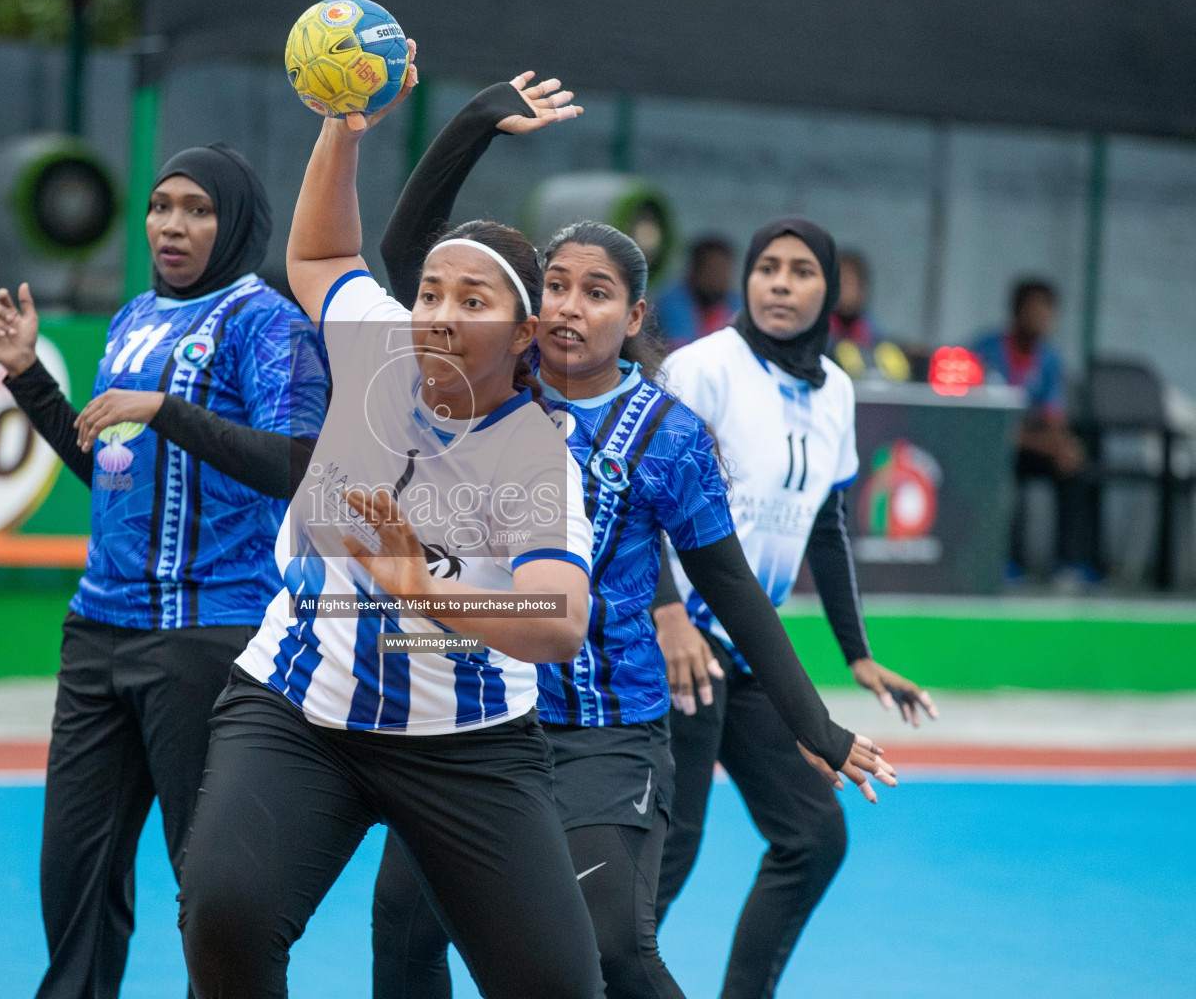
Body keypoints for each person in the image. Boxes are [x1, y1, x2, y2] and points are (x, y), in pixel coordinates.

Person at [369, 79, 897, 999]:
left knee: (610, 950)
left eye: (598, 293)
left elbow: (730, 587)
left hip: (607, 734)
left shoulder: (670, 432)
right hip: (476, 716)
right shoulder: (497, 385)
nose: (572, 307)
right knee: (405, 931)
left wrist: (818, 725)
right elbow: (407, 249)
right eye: (557, 289)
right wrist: (478, 120)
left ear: (635, 317)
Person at [174, 47, 620, 999]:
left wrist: (432, 589)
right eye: (429, 291)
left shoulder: (535, 454)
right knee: (225, 912)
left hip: (468, 744)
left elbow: (560, 619)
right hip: (300, 711)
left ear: (525, 333)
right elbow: (324, 255)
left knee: (559, 987)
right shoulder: (373, 342)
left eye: (473, 299)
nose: (438, 314)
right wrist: (343, 126)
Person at [0, 142, 329, 999]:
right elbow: (112, 465)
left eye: (198, 209)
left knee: (209, 888)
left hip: (207, 636)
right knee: (74, 876)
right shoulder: (133, 314)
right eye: (161, 205)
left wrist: (167, 410)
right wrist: (29, 380)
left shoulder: (269, 323)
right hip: (98, 629)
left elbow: (302, 461)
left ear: (237, 221)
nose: (172, 224)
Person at [651, 217, 939, 999]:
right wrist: (666, 611)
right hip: (673, 648)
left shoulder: (835, 388)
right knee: (665, 859)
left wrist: (857, 652)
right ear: (747, 278)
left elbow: (826, 521)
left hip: (745, 652)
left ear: (830, 288)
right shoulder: (702, 368)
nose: (781, 282)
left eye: (802, 270)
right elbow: (630, 496)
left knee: (813, 836)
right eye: (768, 267)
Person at [971, 279, 1094, 580]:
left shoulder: (1050, 359)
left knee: (1072, 463)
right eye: (1034, 310)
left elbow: (1053, 420)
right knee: (999, 468)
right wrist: (1041, 442)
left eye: (1047, 312)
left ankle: (1068, 564)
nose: (1041, 318)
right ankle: (1004, 560)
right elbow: (979, 420)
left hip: (1027, 445)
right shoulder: (984, 350)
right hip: (986, 446)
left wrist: (1063, 446)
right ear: (1016, 312)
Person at [650, 236, 740, 350]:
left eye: (723, 270)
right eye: (712, 270)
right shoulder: (671, 304)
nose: (718, 279)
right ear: (694, 269)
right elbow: (683, 351)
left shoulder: (735, 303)